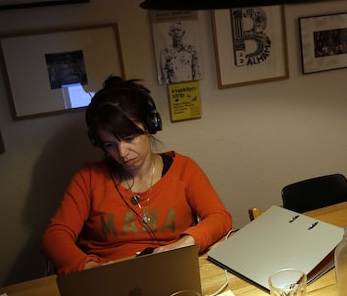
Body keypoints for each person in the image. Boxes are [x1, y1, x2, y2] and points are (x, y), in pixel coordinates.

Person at [42, 76, 232, 273]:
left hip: (172, 269)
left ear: (150, 126)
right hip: (107, 277)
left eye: (129, 138)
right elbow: (55, 236)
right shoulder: (88, 178)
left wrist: (185, 243)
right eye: (109, 145)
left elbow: (220, 217)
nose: (122, 153)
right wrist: (90, 267)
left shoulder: (184, 169)